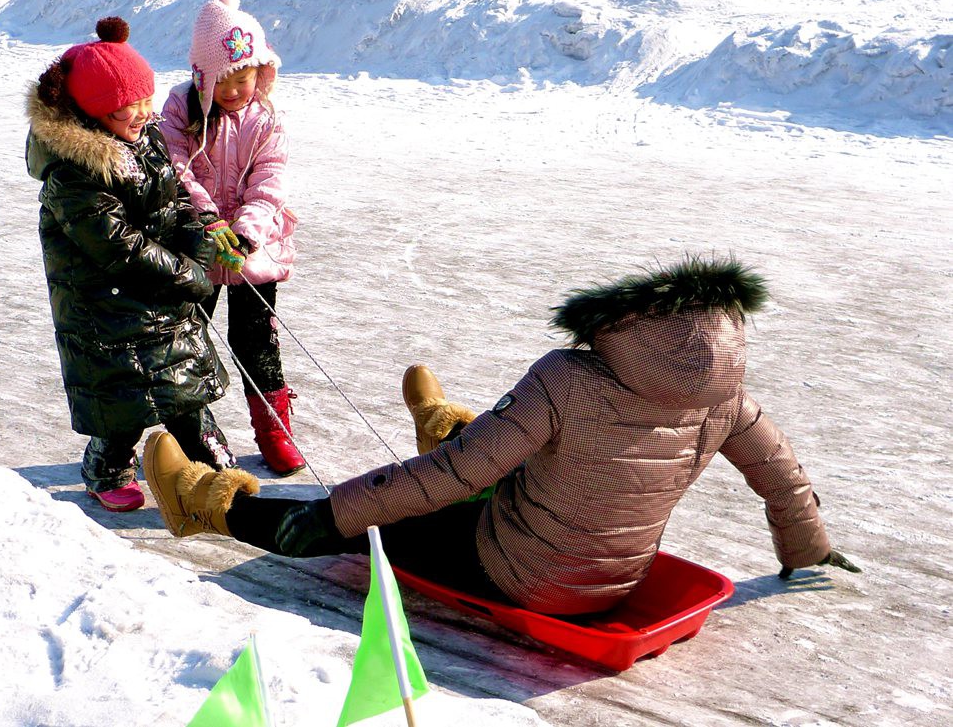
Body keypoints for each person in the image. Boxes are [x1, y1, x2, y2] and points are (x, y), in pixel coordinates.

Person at [141, 257, 861, 614]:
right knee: (519, 457)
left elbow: (451, 477)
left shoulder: (568, 377)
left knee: (383, 517)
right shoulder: (729, 398)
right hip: (617, 584)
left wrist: (339, 512)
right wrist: (806, 551)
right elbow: (782, 476)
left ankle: (206, 505)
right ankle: (445, 425)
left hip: (516, 569)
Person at [25, 17, 236, 513]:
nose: (143, 113)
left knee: (182, 386)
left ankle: (212, 463)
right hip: (103, 305)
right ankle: (108, 465)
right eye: (129, 106)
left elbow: (173, 198)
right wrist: (187, 274)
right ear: (93, 110)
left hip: (157, 287)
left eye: (146, 100)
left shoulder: (145, 137)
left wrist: (198, 240)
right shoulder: (73, 172)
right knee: (123, 399)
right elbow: (118, 245)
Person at [158, 0, 304, 475]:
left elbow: (271, 180)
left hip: (251, 249)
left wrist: (244, 233)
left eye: (244, 78)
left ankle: (274, 431)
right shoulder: (181, 108)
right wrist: (207, 219)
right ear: (202, 75)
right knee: (184, 337)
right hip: (196, 245)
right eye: (224, 80)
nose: (236, 90)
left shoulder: (266, 119)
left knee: (255, 342)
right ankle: (188, 434)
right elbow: (175, 167)